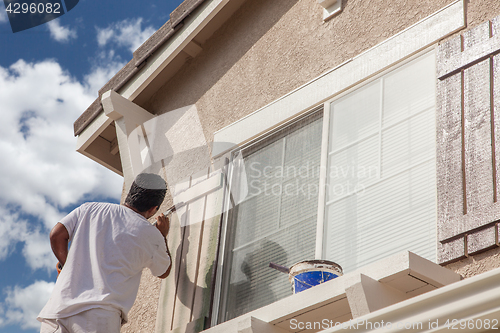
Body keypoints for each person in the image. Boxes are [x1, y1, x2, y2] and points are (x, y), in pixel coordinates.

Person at [37, 173, 172, 333]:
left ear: (130, 195)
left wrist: (69, 268)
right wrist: (162, 235)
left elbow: (56, 235)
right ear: (153, 209)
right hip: (98, 317)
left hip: (57, 310)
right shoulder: (150, 234)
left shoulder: (90, 208)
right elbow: (163, 271)